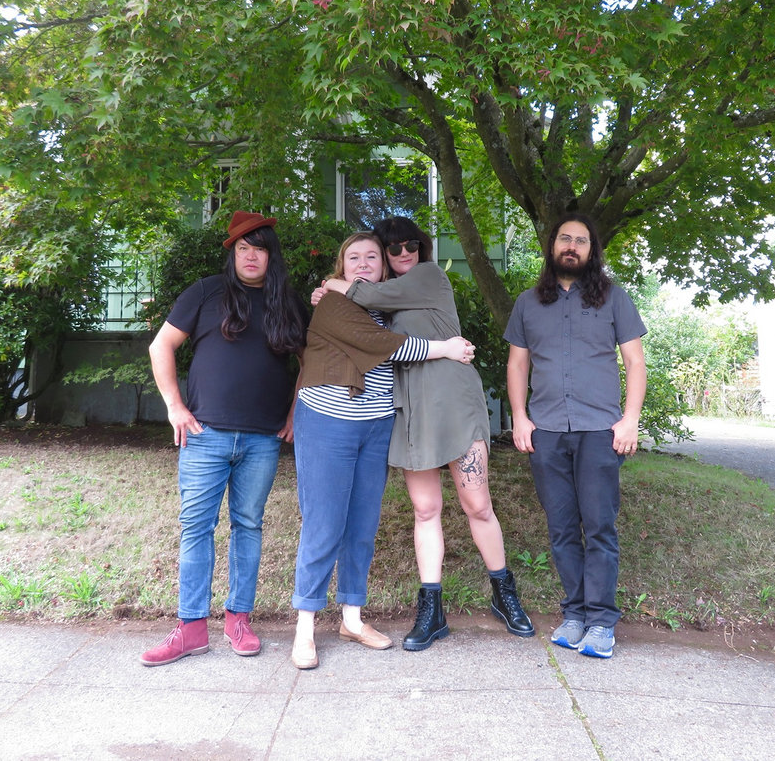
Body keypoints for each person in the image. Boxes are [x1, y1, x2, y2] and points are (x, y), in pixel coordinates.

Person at [320, 216, 534, 651]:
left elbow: (362, 291)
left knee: (478, 505)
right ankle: (432, 611)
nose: (404, 253)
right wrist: (329, 290)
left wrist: (332, 284)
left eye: (411, 245)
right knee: (425, 509)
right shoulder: (382, 299)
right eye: (394, 248)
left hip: (454, 404)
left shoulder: (429, 276)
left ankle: (504, 594)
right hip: (409, 410)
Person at [291, 232, 475, 670]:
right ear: (342, 266)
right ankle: (305, 627)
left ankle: (352, 619)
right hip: (328, 422)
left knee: (361, 525)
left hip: (375, 426)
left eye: (371, 256)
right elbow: (386, 347)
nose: (362, 263)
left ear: (385, 266)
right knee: (324, 524)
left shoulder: (388, 308)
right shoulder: (334, 305)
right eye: (353, 257)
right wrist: (446, 348)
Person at [140, 211, 308, 667]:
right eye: (243, 248)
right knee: (196, 527)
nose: (251, 256)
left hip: (263, 439)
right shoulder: (206, 292)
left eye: (260, 249)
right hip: (205, 434)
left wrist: (295, 411)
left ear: (271, 256)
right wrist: (174, 406)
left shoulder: (286, 301)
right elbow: (161, 345)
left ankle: (239, 620)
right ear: (232, 253)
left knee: (248, 526)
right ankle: (191, 628)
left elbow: (310, 360)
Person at [504, 212, 647, 660]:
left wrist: (630, 419)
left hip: (600, 431)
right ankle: (575, 614)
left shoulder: (615, 298)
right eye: (565, 238)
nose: (572, 246)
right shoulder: (527, 303)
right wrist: (520, 417)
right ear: (552, 246)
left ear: (592, 250)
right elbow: (517, 364)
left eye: (581, 240)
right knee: (562, 528)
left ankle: (602, 622)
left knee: (599, 527)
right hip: (545, 431)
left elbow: (635, 362)